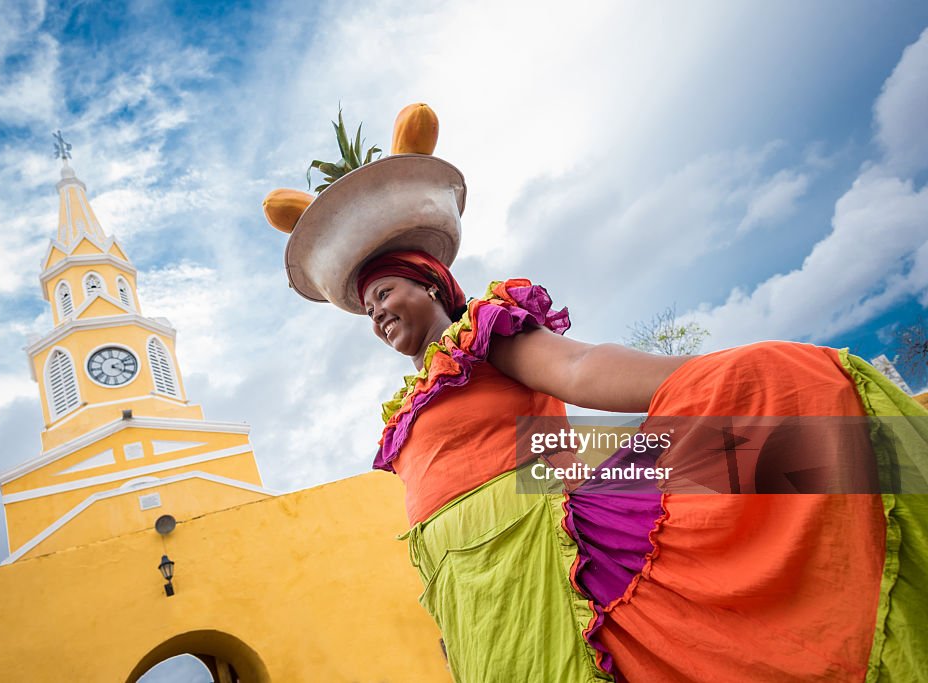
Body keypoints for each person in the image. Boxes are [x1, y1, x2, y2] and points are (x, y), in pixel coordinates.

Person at [355, 249, 928, 683]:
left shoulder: (480, 337)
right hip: (470, 595)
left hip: (539, 545)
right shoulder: (407, 405)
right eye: (367, 308)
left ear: (429, 283)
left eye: (383, 292)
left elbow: (579, 368)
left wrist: (703, 377)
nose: (376, 311)